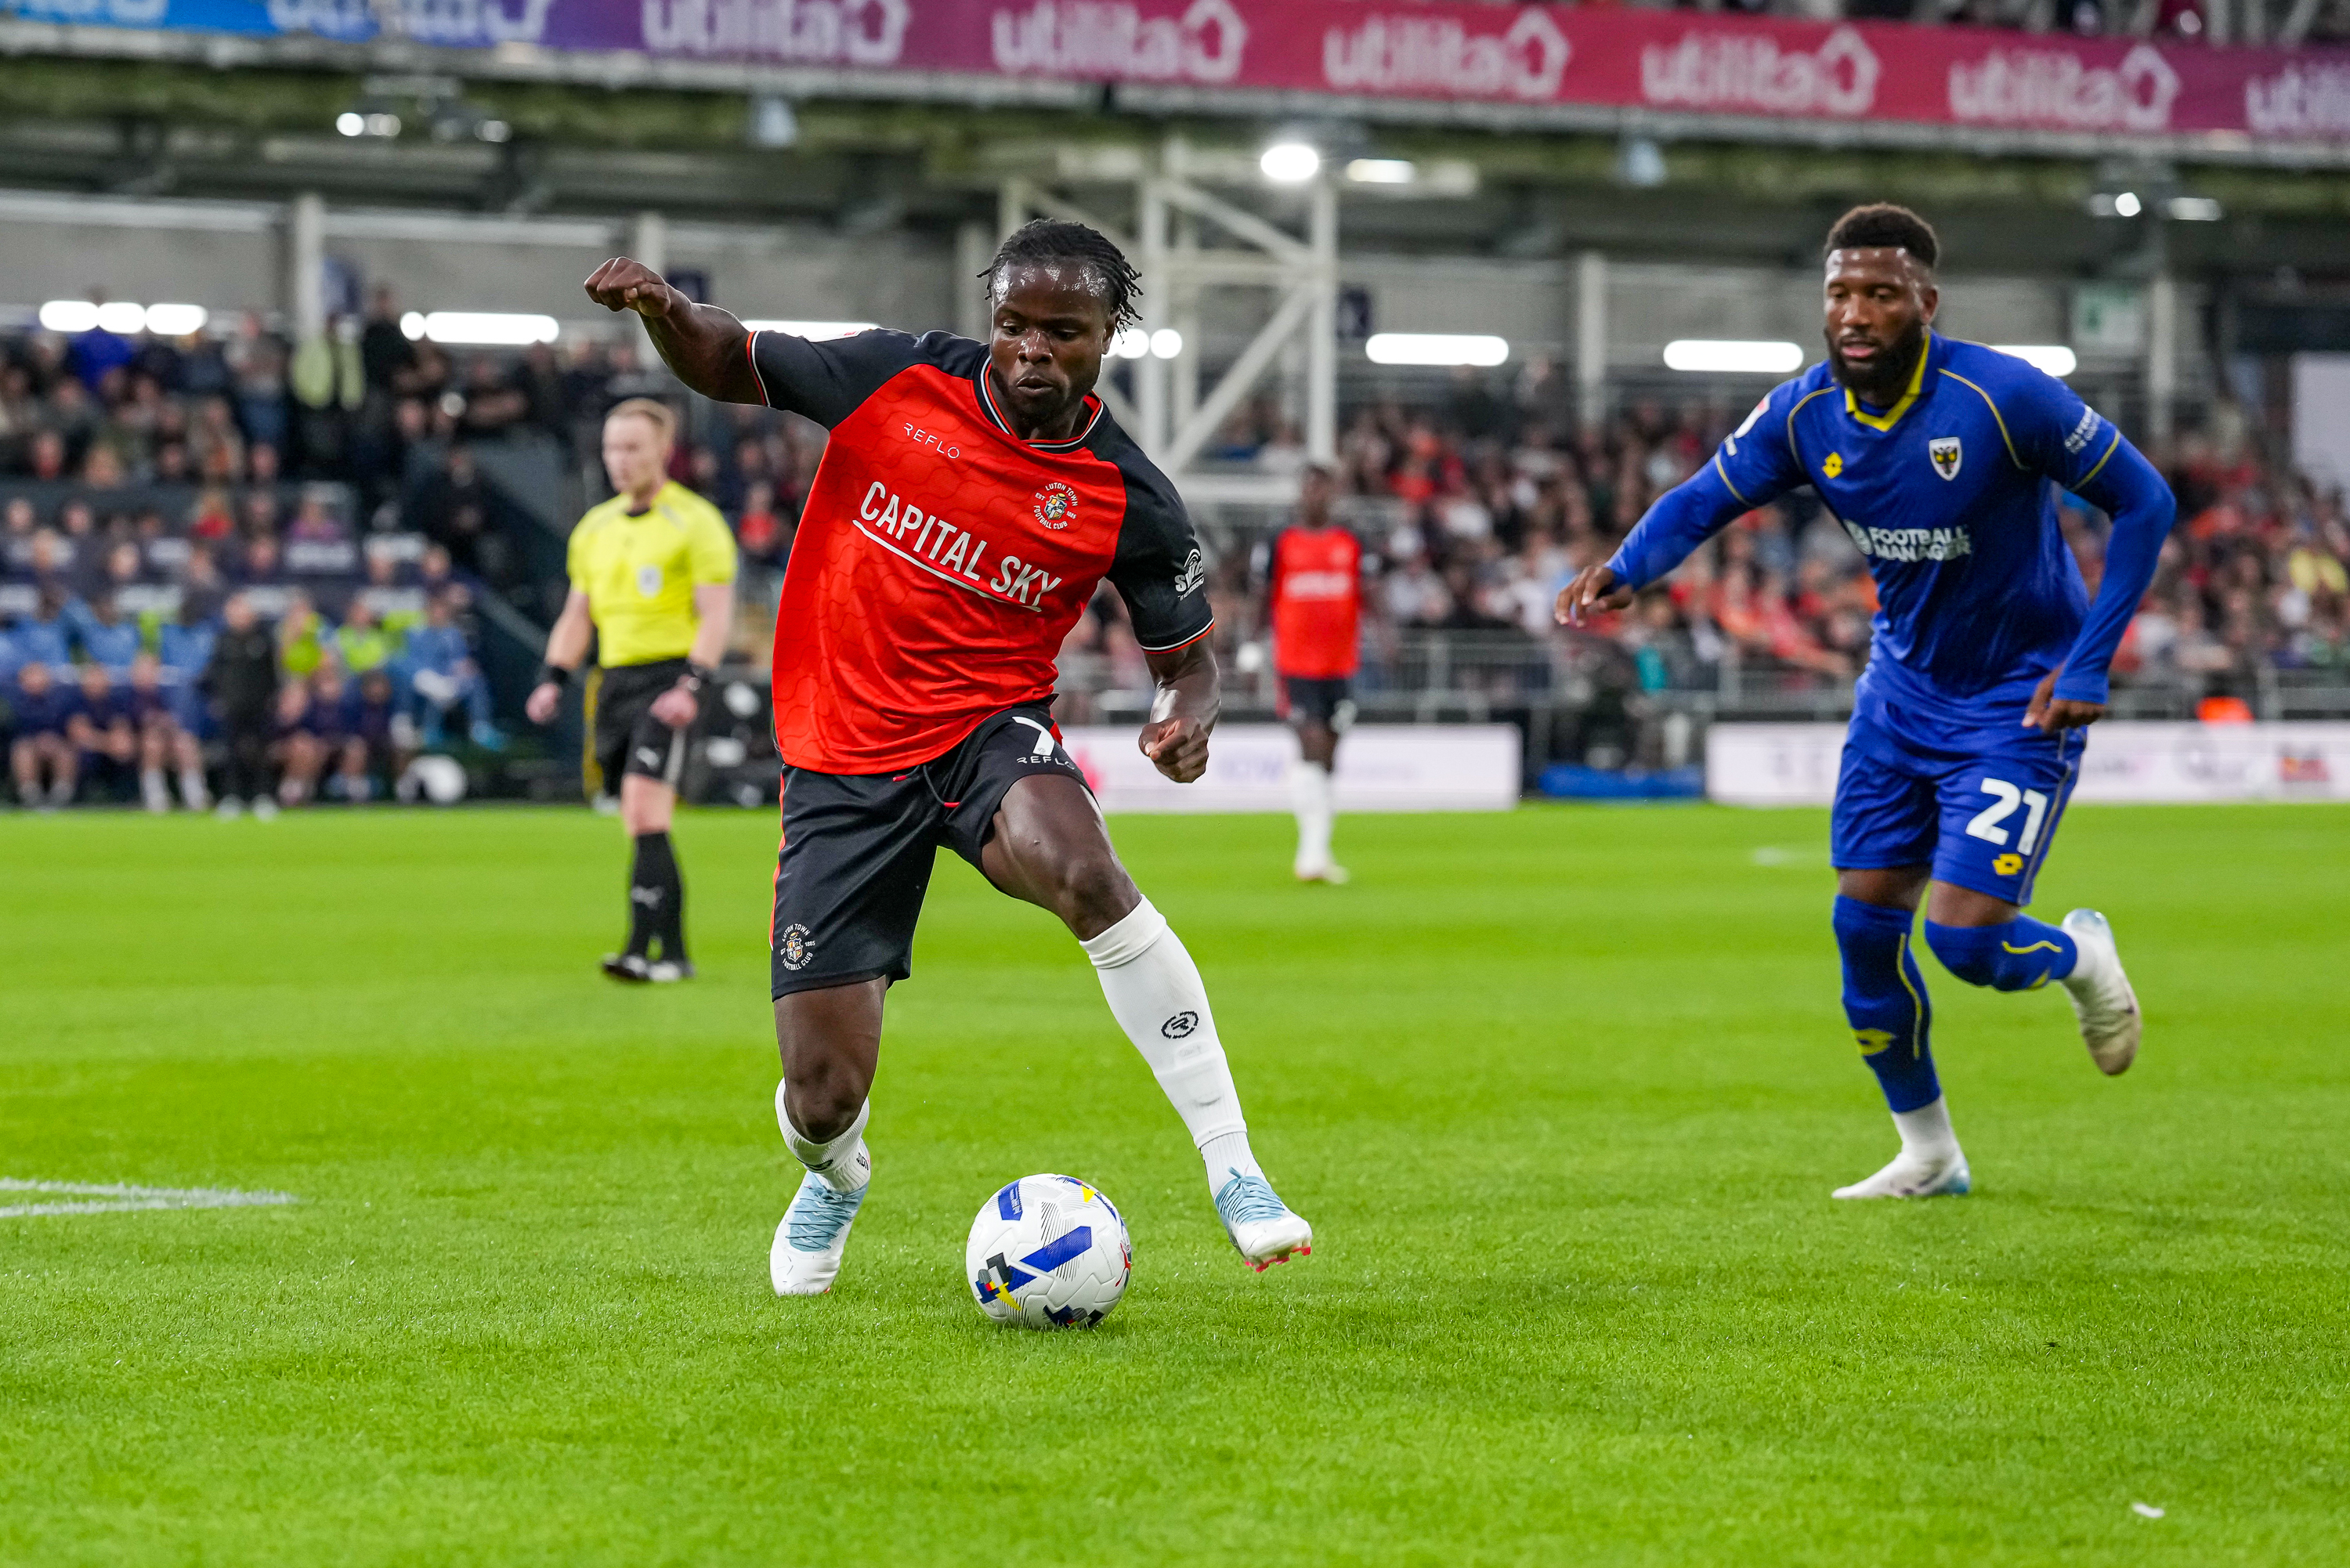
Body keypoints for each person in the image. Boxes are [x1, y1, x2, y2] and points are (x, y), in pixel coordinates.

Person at [581, 217, 1315, 1294]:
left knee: (1086, 870)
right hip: (839, 754)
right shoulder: (900, 377)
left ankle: (1235, 1167)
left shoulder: (1129, 494)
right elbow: (731, 359)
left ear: (1107, 334)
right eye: (1013, 322)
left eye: (1061, 330)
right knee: (821, 1092)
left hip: (986, 730)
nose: (1030, 348)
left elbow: (1188, 658)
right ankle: (834, 1173)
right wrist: (665, 314)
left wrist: (1186, 712)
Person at [1558, 204, 2173, 1200]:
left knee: (1968, 940)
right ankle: (1928, 1152)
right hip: (1899, 696)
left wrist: (2092, 660)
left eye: (1880, 294)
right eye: (1841, 292)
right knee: (1864, 928)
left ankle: (2082, 958)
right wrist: (1630, 566)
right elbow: (1706, 496)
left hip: (2019, 698)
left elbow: (2146, 500)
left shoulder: (2004, 396)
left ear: (1925, 303)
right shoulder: (1806, 412)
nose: (1855, 312)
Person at [524, 398, 738, 985]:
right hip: (614, 683)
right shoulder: (595, 528)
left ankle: (646, 950)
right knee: (639, 820)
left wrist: (693, 684)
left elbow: (716, 615)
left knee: (646, 810)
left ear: (662, 452)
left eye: (633, 448)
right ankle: (669, 954)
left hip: (669, 679)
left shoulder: (694, 522)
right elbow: (578, 614)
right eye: (612, 448)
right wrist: (553, 677)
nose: (620, 460)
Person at [1261, 462, 1363, 883]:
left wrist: (1385, 638)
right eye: (1309, 487)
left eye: (1322, 488)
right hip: (1296, 664)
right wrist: (1253, 646)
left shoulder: (1350, 542)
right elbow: (1261, 595)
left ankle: (1319, 852)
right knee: (1312, 745)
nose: (1315, 495)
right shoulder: (1281, 541)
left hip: (1340, 665)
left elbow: (1365, 594)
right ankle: (1310, 855)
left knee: (1330, 755)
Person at [203, 592, 280, 819]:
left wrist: (273, 699)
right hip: (231, 708)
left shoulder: (263, 640)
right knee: (230, 754)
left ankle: (263, 797)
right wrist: (218, 700)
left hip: (260, 707)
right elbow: (214, 676)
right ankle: (231, 798)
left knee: (262, 753)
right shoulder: (222, 641)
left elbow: (272, 675)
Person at [9, 661, 81, 807]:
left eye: (39, 676)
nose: (35, 681)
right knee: (22, 751)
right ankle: (30, 796)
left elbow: (69, 728)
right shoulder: (14, 703)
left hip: (57, 744)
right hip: (29, 745)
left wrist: (52, 741)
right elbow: (15, 732)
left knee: (66, 752)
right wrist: (37, 742)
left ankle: (61, 795)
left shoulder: (61, 701)